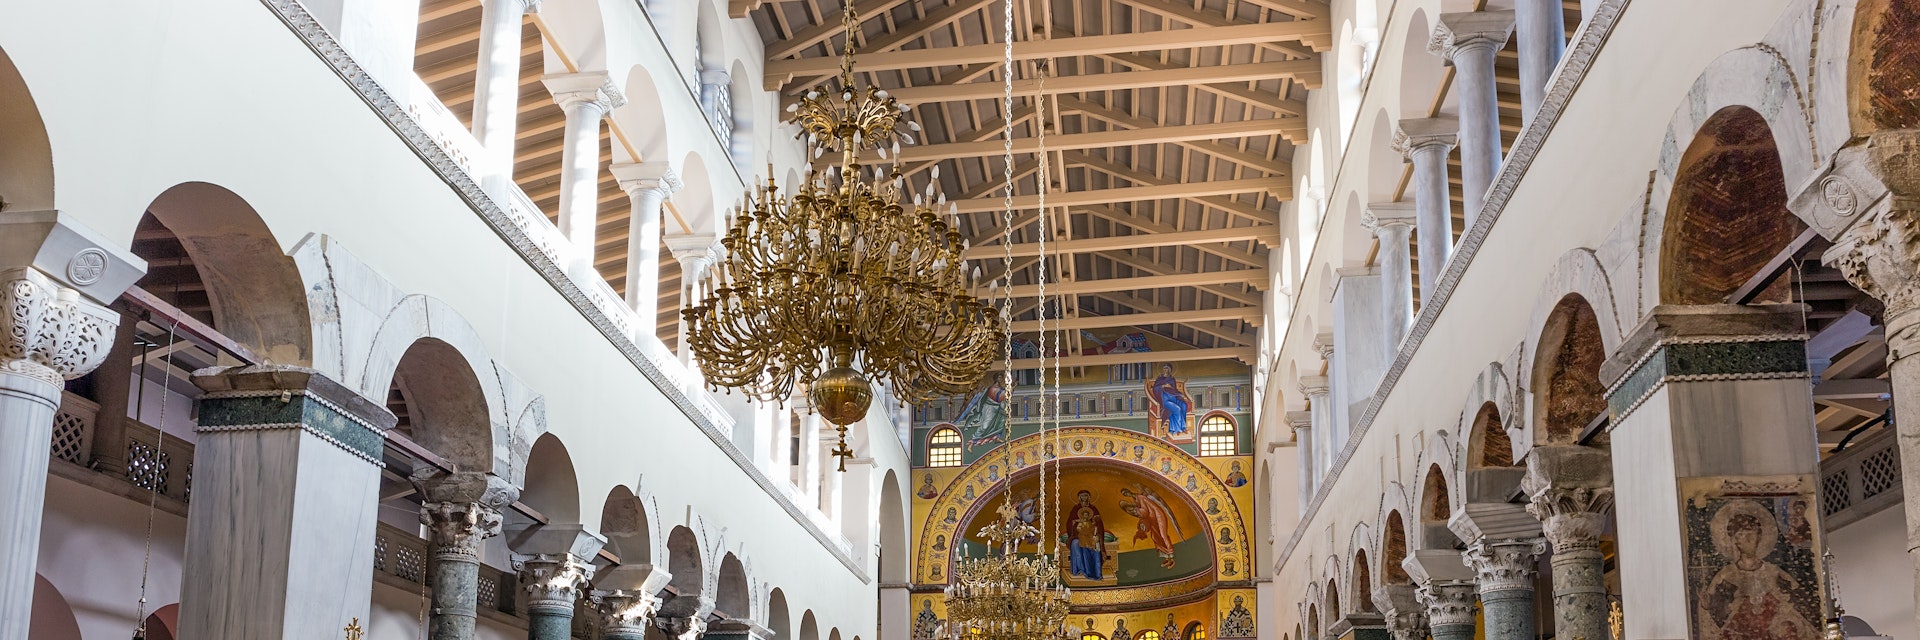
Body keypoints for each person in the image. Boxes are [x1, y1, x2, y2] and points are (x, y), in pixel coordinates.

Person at [1694, 500, 1816, 640]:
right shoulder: (1726, 576)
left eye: (1753, 535)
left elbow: (1798, 606)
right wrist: (1706, 606)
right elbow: (1713, 619)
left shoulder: (1773, 572)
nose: (1751, 540)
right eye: (1744, 536)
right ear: (1736, 542)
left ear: (1759, 537)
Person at [1120, 485, 1184, 568]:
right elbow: (1145, 516)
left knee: (1162, 535)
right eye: (1124, 494)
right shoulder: (1136, 501)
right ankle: (1166, 557)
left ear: (1128, 491)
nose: (1126, 494)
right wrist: (1142, 524)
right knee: (1154, 536)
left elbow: (1145, 512)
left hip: (1158, 516)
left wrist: (1137, 511)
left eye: (1125, 492)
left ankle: (1171, 559)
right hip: (1152, 519)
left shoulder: (1140, 497)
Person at [1064, 490, 1113, 580]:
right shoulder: (1075, 509)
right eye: (1082, 496)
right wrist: (1075, 523)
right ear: (1079, 498)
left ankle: (1094, 572)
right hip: (1077, 536)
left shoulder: (1093, 509)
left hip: (1090, 537)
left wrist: (1095, 527)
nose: (1084, 498)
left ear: (1089, 497)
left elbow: (1099, 525)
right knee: (1075, 544)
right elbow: (1070, 524)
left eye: (1086, 496)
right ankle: (1079, 569)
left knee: (1095, 546)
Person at [956, 380, 1010, 447]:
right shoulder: (990, 389)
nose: (1000, 380)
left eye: (1001, 378)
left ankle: (996, 437)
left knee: (1000, 423)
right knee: (985, 426)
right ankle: (973, 441)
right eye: (999, 378)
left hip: (998, 407)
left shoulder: (1001, 388)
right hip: (989, 407)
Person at [1146, 364, 1194, 437]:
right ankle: (1177, 430)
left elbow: (1175, 390)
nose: (1165, 370)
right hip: (1164, 399)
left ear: (1170, 370)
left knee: (1183, 405)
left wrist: (1179, 394)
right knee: (1177, 409)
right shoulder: (1160, 378)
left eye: (1167, 369)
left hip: (1174, 397)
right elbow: (1155, 388)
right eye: (1164, 368)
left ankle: (1183, 427)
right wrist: (1163, 386)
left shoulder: (1172, 379)